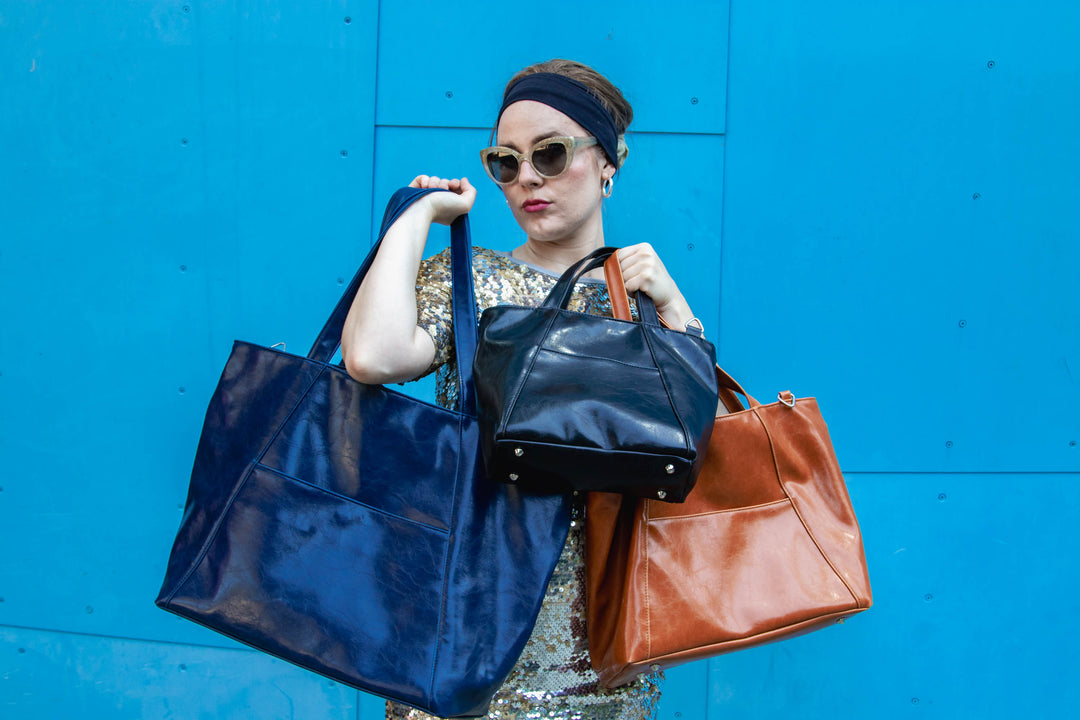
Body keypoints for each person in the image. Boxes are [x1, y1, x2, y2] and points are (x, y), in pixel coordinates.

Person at [342, 58, 699, 720]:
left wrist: (675, 311)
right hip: (464, 649)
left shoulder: (640, 302)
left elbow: (694, 465)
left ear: (608, 164)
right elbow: (371, 355)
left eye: (551, 153)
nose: (527, 176)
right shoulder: (473, 281)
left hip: (603, 666)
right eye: (505, 163)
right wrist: (415, 219)